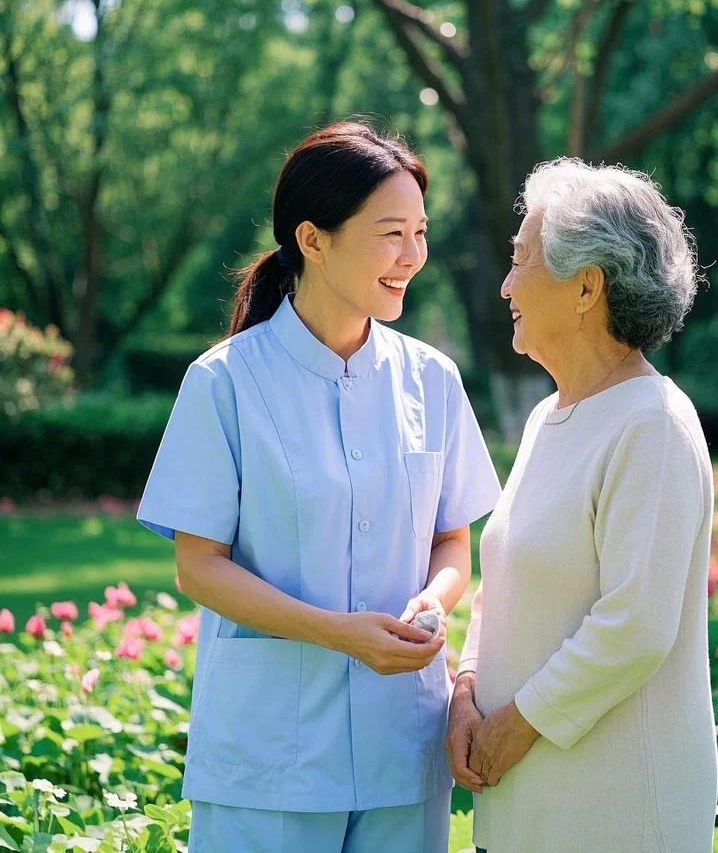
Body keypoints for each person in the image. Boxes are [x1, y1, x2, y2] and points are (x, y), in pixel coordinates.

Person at [137, 121, 501, 853]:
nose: (412, 256)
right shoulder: (224, 383)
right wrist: (338, 634)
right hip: (272, 757)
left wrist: (436, 597)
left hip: (403, 744)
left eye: (420, 232)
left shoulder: (432, 379)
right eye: (390, 232)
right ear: (313, 238)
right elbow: (198, 565)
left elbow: (453, 538)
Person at [446, 158, 718, 853]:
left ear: (586, 287)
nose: (506, 285)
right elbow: (500, 583)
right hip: (522, 812)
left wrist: (514, 725)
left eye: (521, 261)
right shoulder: (547, 418)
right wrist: (467, 691)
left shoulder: (650, 424)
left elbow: (635, 626)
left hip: (613, 817)